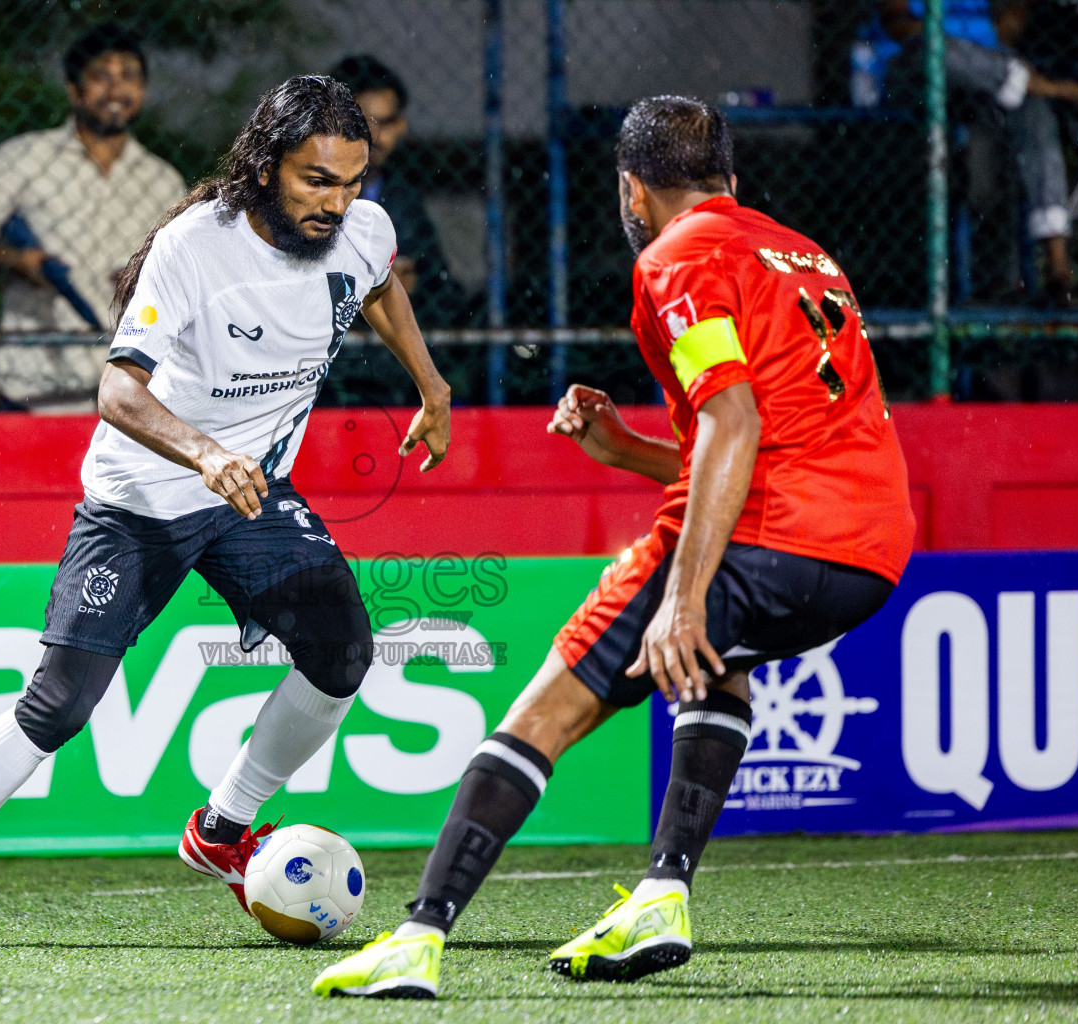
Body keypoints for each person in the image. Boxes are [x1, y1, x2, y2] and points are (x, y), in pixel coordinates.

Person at [313, 95, 914, 999]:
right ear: (730, 179)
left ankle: (417, 938)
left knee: (544, 713)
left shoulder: (677, 257)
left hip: (772, 533)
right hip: (868, 554)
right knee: (720, 662)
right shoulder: (802, 253)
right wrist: (629, 452)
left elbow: (733, 419)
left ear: (633, 192)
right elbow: (767, 438)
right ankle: (663, 894)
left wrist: (684, 592)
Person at [0, 75, 452, 947]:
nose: (337, 204)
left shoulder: (362, 230)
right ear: (264, 169)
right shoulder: (195, 247)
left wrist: (431, 384)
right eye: (314, 181)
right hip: (142, 496)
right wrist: (208, 453)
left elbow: (376, 289)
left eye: (350, 181)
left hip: (251, 492)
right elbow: (116, 391)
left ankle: (222, 831)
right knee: (61, 704)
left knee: (341, 655)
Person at [0, 22, 185, 411]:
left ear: (144, 91)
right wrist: (14, 261)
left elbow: (187, 274)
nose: (117, 90)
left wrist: (145, 280)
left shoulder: (163, 181)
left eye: (129, 77)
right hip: (34, 384)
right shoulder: (23, 159)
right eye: (101, 77)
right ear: (73, 90)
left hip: (133, 389)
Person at [878, 0, 1078, 303]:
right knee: (936, 49)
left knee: (1034, 112)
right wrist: (966, 47)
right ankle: (1065, 90)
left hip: (990, 77)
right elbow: (900, 27)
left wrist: (979, 52)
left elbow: (1009, 26)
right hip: (919, 68)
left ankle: (1059, 268)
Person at [329, 55, 468, 328]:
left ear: (400, 126)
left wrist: (414, 289)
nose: (375, 136)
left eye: (386, 122)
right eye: (363, 121)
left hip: (385, 360)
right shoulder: (301, 192)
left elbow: (439, 290)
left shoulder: (402, 200)